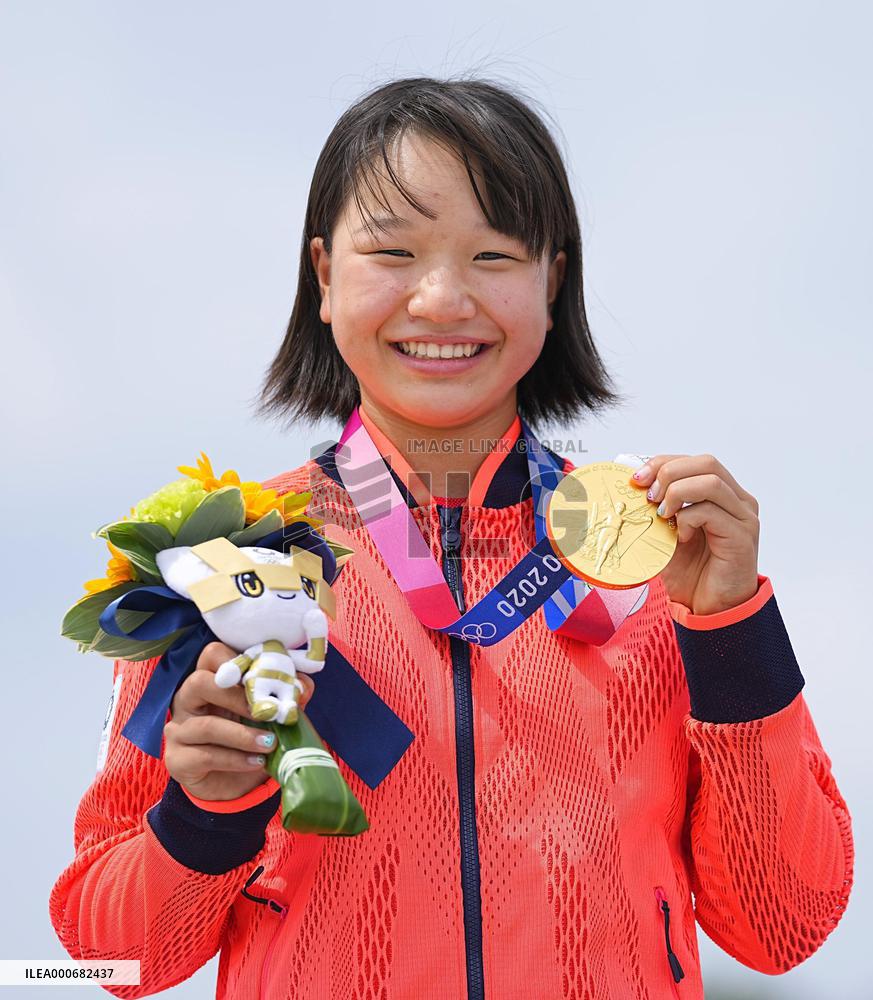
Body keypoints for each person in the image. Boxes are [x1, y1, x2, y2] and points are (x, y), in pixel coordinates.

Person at [50, 76, 854, 999]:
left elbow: (784, 922)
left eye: (492, 256)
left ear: (553, 281)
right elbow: (111, 958)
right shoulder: (229, 561)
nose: (440, 300)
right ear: (322, 275)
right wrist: (206, 814)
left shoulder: (658, 556)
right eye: (392, 251)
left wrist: (731, 631)